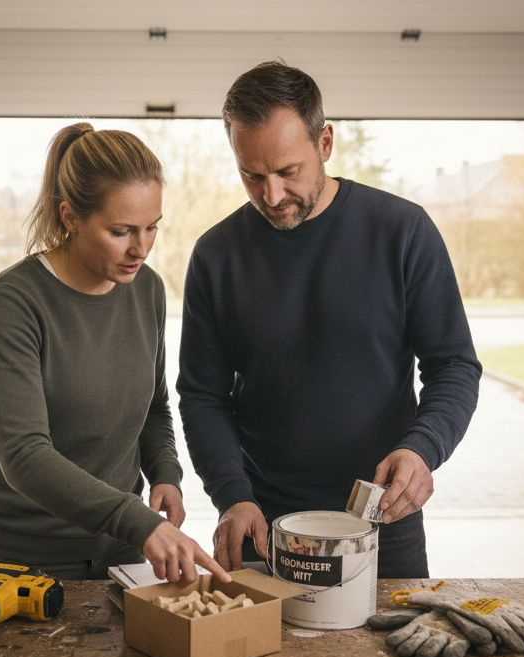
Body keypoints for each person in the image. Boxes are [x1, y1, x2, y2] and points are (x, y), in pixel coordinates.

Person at [177, 62, 482, 578]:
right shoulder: (216, 255)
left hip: (384, 519)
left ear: (325, 143)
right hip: (263, 523)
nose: (271, 196)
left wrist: (423, 448)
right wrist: (231, 496)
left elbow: (453, 364)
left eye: (287, 171)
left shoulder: (402, 231)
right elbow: (203, 395)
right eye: (252, 175)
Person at [0, 122, 228, 586]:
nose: (140, 249)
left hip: (119, 553)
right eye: (121, 231)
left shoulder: (146, 289)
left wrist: (165, 472)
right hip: (22, 556)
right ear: (70, 217)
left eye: (152, 228)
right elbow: (24, 454)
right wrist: (138, 520)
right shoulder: (11, 302)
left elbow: (153, 406)